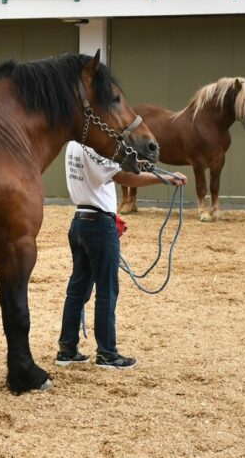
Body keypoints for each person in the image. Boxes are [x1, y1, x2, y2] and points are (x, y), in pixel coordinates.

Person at [56, 142, 186, 368]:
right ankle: (107, 353)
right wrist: (164, 178)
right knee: (106, 290)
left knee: (77, 290)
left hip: (80, 220)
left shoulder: (73, 144)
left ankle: (67, 349)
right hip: (99, 224)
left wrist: (137, 164)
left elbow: (110, 169)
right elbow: (123, 177)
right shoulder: (94, 147)